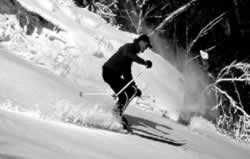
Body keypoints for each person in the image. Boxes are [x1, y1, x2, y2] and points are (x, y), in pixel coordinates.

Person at [102, 34, 153, 115]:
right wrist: (144, 62)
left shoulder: (130, 55)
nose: (146, 48)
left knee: (131, 91)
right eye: (146, 46)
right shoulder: (129, 47)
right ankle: (116, 115)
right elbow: (130, 55)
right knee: (124, 96)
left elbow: (127, 74)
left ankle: (116, 114)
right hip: (109, 72)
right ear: (142, 42)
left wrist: (134, 88)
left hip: (114, 75)